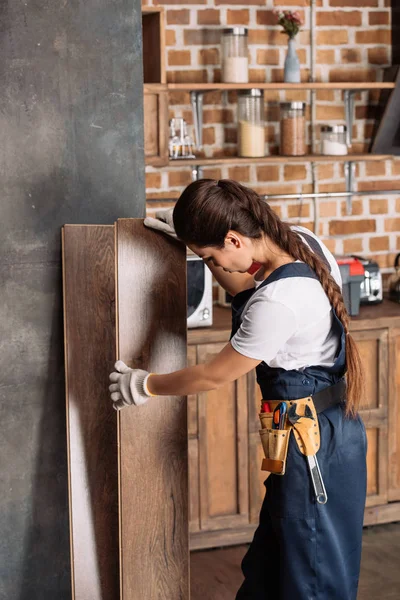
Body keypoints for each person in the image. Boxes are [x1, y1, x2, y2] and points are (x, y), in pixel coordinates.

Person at [109, 179, 367, 600]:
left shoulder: (279, 301)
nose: (216, 265)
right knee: (272, 567)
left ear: (233, 237)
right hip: (308, 435)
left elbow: (214, 374)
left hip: (313, 447)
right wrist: (195, 246)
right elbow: (242, 284)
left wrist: (144, 384)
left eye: (211, 256)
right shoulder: (299, 244)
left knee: (312, 578)